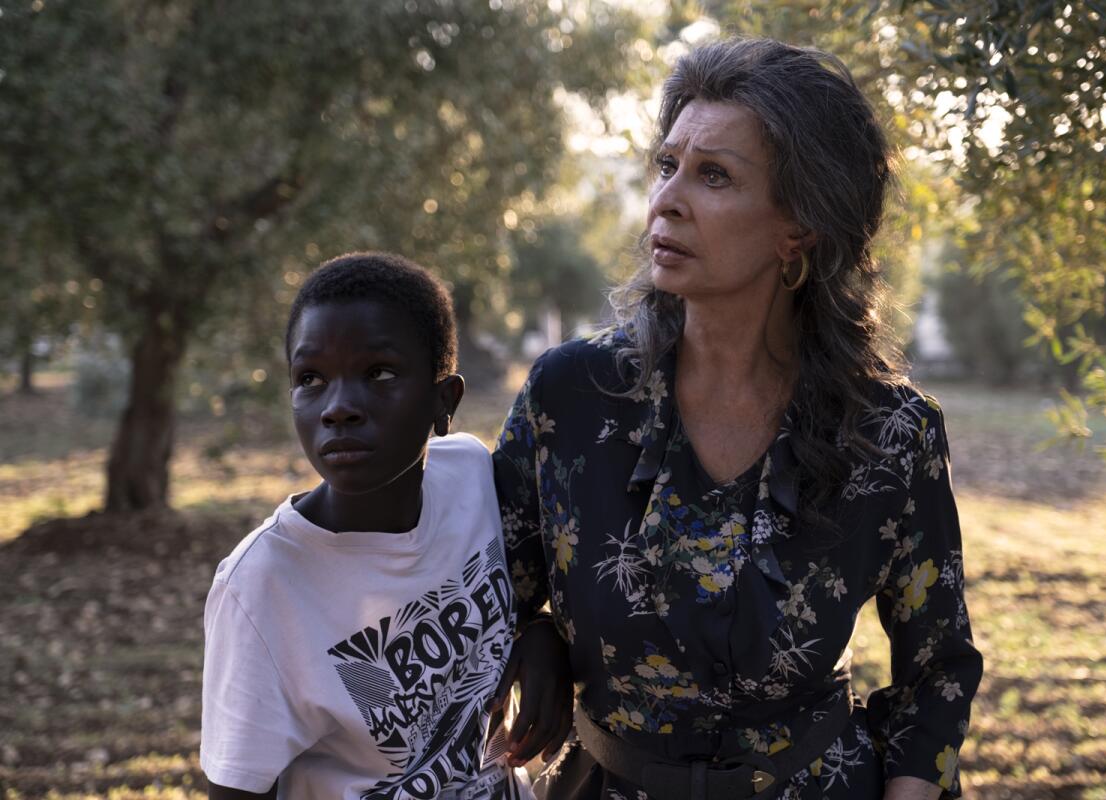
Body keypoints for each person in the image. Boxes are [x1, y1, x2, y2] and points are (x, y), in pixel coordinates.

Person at [492, 39, 984, 800]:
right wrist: (538, 643)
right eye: (667, 166)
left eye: (714, 175)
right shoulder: (571, 400)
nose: (667, 200)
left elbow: (938, 671)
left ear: (800, 230)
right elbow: (495, 591)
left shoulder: (890, 433)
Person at [201, 252, 566, 799]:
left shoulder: (470, 475)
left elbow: (510, 601)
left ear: (446, 401)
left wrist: (541, 635)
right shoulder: (261, 588)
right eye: (311, 379)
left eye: (379, 373)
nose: (338, 407)